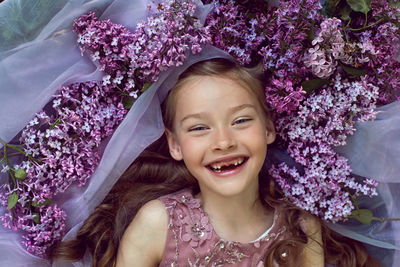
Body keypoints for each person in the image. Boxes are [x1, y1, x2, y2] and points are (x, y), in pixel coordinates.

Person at [50, 58, 382, 267]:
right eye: (199, 128)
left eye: (240, 121)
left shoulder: (300, 227)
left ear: (268, 128)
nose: (223, 141)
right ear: (175, 145)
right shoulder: (157, 224)